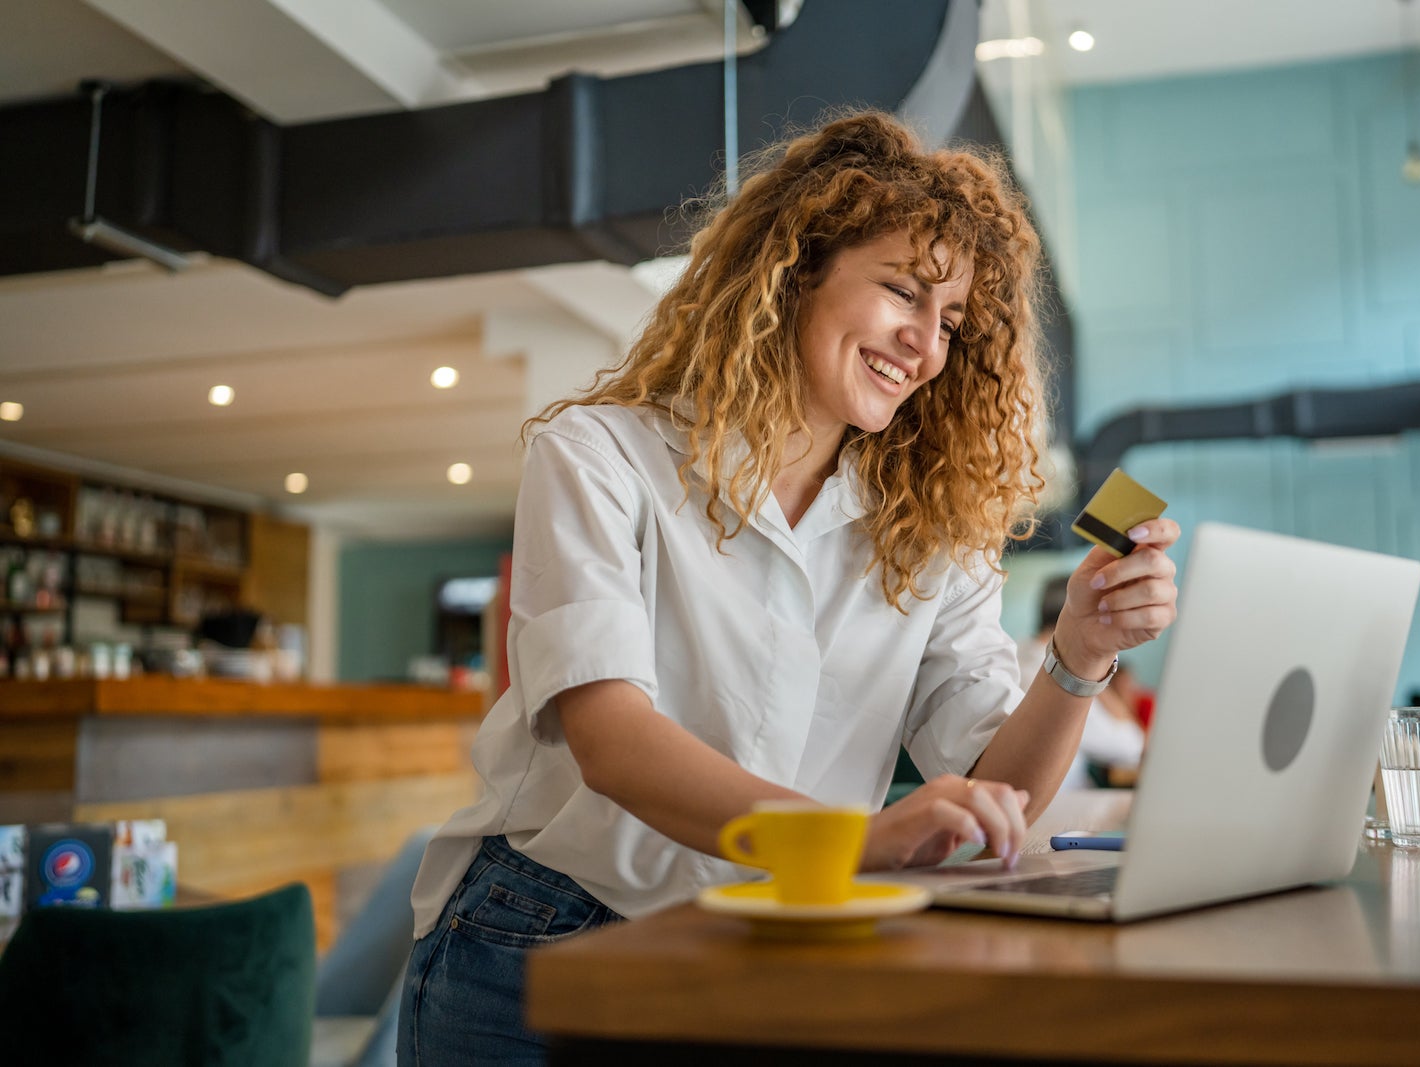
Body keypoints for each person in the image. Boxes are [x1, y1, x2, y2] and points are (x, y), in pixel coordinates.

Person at [399, 111, 1181, 1065]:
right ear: (797, 267)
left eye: (952, 323)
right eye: (902, 290)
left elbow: (994, 798)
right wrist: (855, 842)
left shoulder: (928, 524)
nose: (926, 346)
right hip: (546, 933)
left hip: (771, 930)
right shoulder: (603, 456)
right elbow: (612, 740)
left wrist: (1079, 654)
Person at [1016, 575, 1145, 789]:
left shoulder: (1019, 653)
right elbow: (1131, 746)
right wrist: (1096, 671)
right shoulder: (1058, 676)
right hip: (1061, 806)